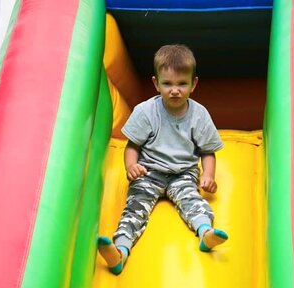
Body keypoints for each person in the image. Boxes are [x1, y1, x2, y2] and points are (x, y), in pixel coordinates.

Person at [97, 44, 228, 275]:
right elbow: (132, 146)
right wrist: (132, 166)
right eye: (167, 84)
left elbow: (208, 151)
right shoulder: (146, 111)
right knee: (135, 208)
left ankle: (205, 232)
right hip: (149, 171)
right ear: (156, 83)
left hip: (183, 172)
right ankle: (120, 251)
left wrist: (208, 175)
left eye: (181, 84)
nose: (174, 90)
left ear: (193, 84)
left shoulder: (199, 114)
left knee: (193, 201)